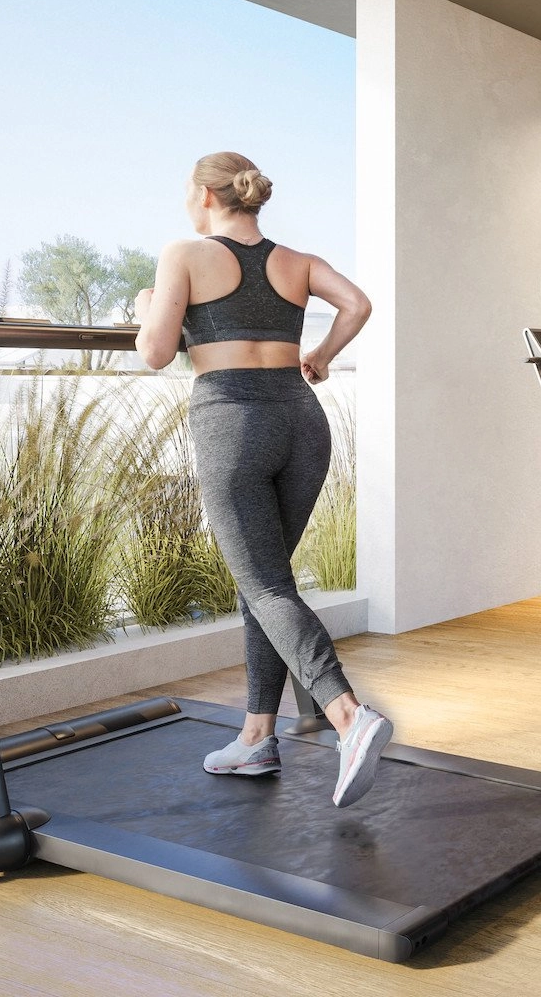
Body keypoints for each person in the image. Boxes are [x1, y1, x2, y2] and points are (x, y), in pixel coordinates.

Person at [133, 150, 390, 808]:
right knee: (265, 584)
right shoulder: (297, 262)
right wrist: (321, 356)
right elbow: (357, 304)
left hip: (234, 424)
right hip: (303, 421)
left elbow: (155, 352)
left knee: (266, 584)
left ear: (205, 195)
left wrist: (148, 307)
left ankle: (348, 717)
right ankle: (256, 737)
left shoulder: (184, 254)